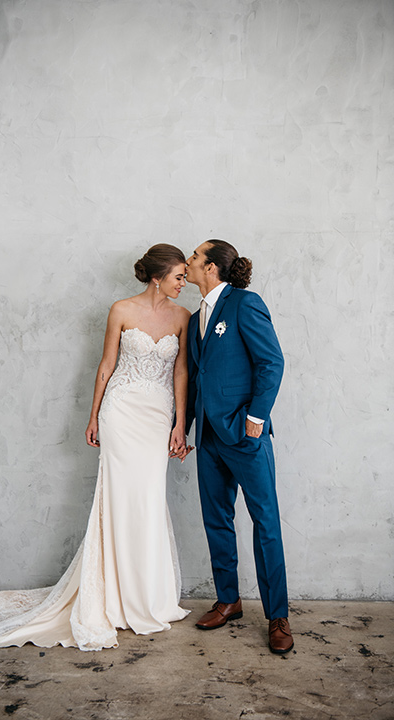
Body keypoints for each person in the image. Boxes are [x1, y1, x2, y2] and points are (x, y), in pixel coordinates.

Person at [0, 244, 191, 651]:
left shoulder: (184, 317)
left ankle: (146, 597)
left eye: (186, 275)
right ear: (157, 277)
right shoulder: (121, 310)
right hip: (121, 412)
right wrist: (94, 416)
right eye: (179, 276)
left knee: (148, 498)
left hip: (156, 416)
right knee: (116, 498)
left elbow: (181, 370)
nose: (185, 282)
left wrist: (179, 422)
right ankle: (111, 598)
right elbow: (105, 366)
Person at [184, 239, 293, 654]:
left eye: (195, 256)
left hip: (246, 437)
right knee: (216, 520)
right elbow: (198, 379)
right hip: (209, 436)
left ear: (211, 268)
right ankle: (228, 600)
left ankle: (278, 616)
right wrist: (185, 429)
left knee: (265, 523)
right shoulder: (197, 317)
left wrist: (254, 420)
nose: (189, 260)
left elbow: (272, 361)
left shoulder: (245, 304)